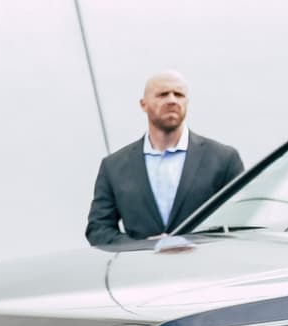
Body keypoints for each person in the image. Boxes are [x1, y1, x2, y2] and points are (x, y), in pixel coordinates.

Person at [85, 70, 244, 246]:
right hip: (142, 270)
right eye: (162, 94)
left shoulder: (223, 159)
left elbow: (244, 222)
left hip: (205, 269)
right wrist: (142, 247)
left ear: (187, 102)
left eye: (179, 94)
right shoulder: (113, 167)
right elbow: (98, 229)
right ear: (143, 104)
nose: (172, 100)